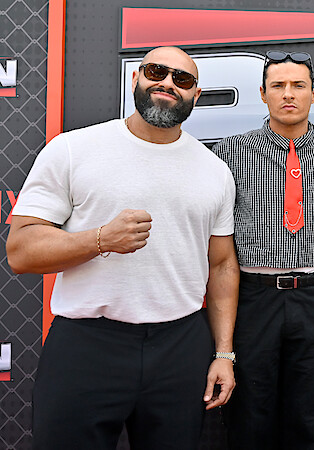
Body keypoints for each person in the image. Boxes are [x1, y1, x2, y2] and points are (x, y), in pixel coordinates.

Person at [6, 46, 238, 449]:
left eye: (182, 79)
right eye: (156, 71)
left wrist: (223, 353)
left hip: (180, 347)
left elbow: (221, 266)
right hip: (87, 345)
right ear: (135, 79)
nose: (167, 83)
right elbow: (21, 250)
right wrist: (100, 240)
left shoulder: (214, 171)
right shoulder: (74, 149)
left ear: (195, 96)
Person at [212, 50, 314, 449]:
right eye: (278, 86)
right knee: (249, 412)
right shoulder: (229, 153)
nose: (289, 94)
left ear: (313, 94)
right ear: (263, 94)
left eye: (298, 86)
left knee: (310, 412)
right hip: (252, 297)